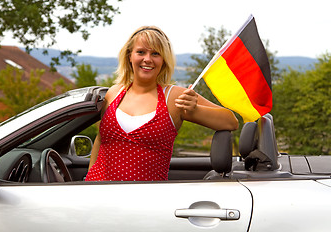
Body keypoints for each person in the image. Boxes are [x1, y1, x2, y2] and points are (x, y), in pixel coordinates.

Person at [85, 26, 238, 181]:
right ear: (129, 56)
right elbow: (100, 140)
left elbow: (231, 122)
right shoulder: (113, 93)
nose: (148, 59)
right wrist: (88, 182)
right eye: (141, 52)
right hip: (99, 197)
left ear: (163, 60)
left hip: (149, 201)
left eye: (155, 53)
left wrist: (195, 109)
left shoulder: (174, 97)